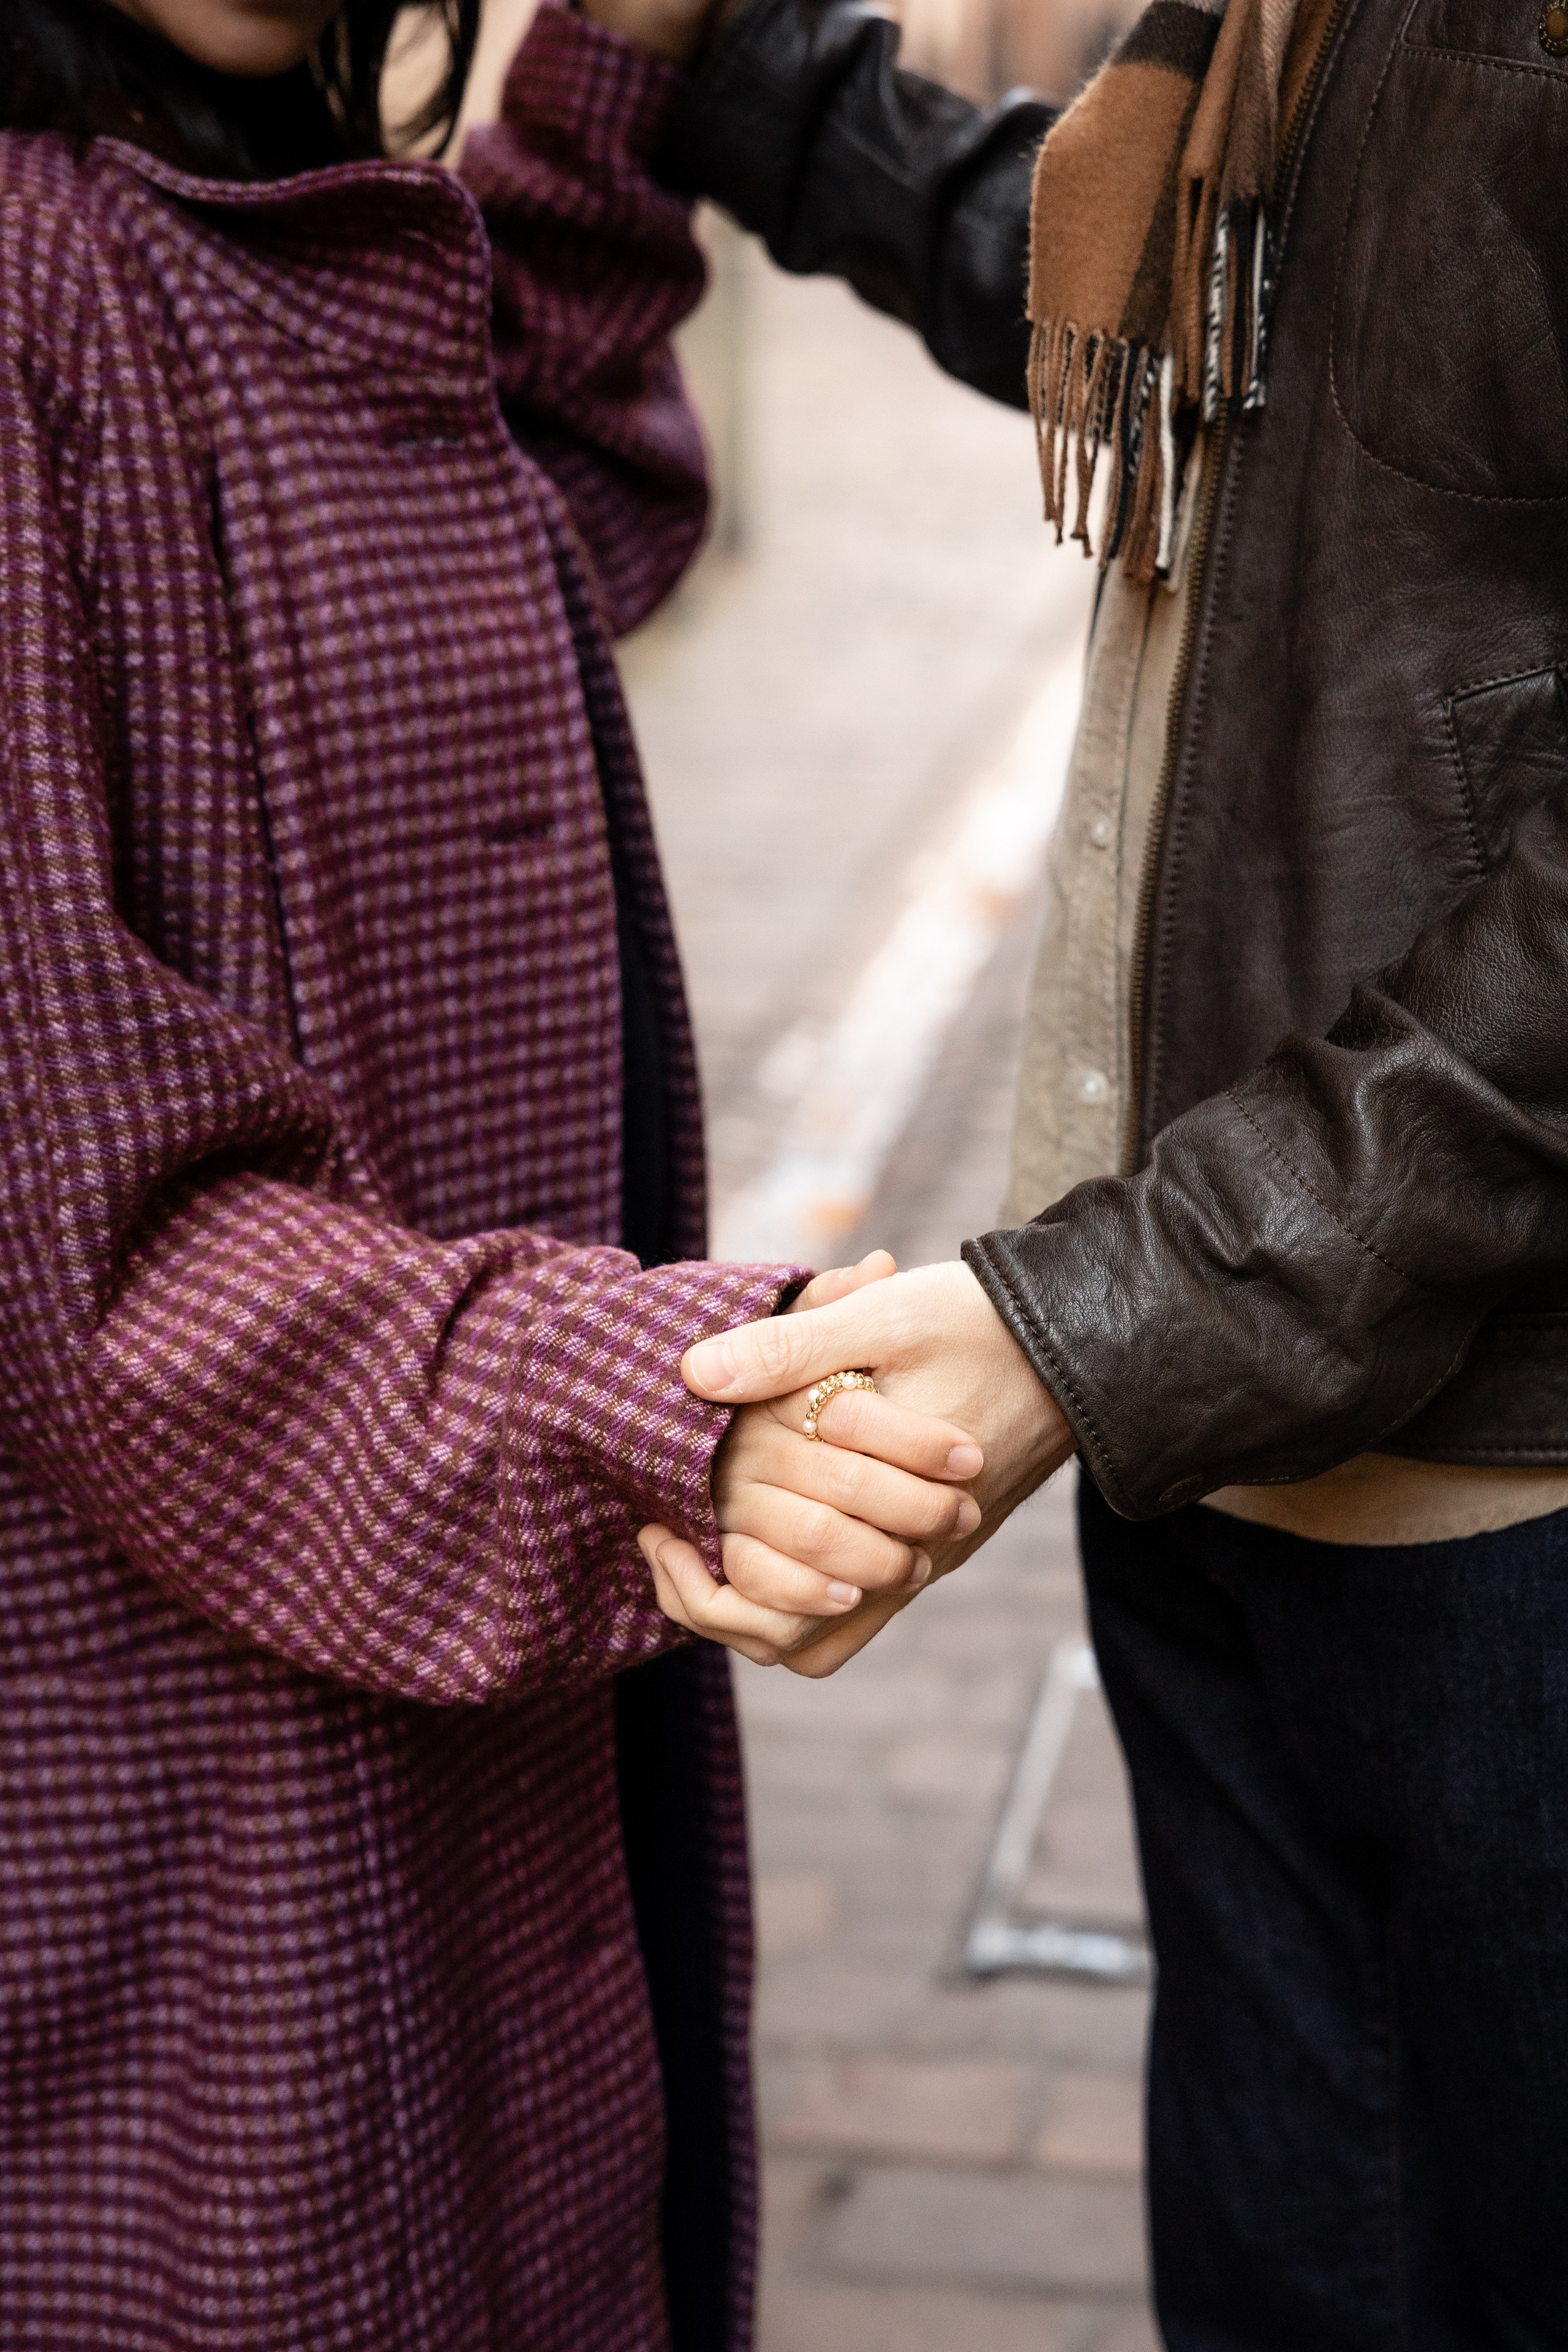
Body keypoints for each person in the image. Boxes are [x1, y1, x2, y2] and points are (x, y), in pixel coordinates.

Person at [0, 0, 989, 2339]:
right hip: (195, 1816)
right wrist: (658, 1401)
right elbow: (91, 1246)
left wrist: (615, 88)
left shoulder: (231, 184)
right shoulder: (32, 281)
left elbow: (479, 511)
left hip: (447, 1707)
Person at [653, 1, 1568, 2342]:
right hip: (1222, 1432)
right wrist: (745, 75)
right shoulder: (1278, 34)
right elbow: (1178, 343)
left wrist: (1117, 1317)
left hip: (1499, 1497)